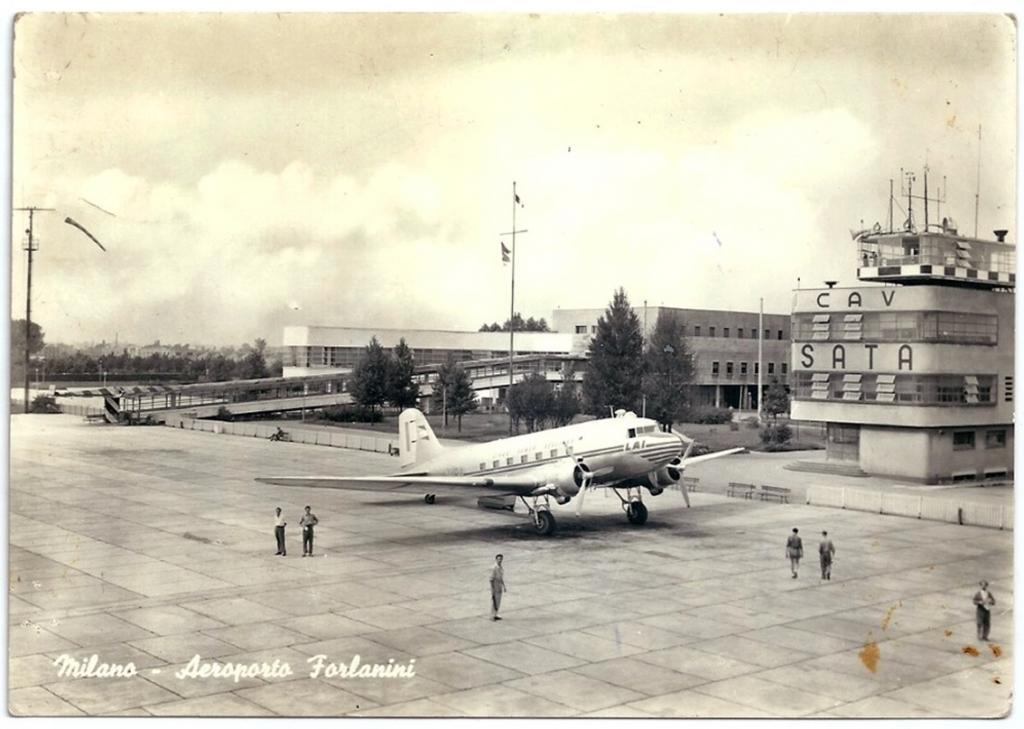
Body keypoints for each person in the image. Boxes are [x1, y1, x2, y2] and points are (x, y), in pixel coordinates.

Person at [490, 554, 506, 621]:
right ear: (496, 559)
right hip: (495, 586)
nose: (500, 560)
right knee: (495, 602)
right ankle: (492, 616)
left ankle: (496, 614)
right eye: (499, 559)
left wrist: (504, 586)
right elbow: (491, 579)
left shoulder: (501, 567)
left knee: (498, 601)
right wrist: (492, 589)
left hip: (499, 586)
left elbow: (501, 577)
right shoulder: (494, 568)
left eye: (501, 559)